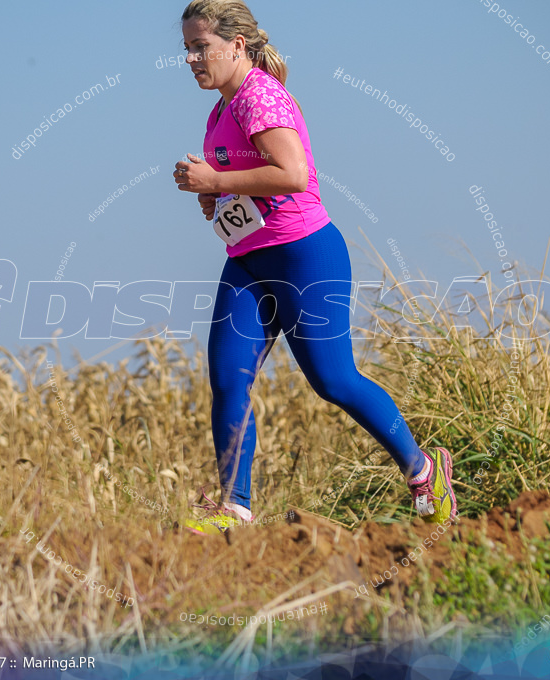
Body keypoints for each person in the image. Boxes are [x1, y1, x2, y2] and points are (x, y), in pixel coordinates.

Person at [172, 0, 456, 534]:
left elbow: (294, 174)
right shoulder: (220, 108)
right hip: (248, 261)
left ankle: (424, 472)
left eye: (199, 47)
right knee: (228, 378)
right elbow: (241, 179)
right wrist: (210, 195)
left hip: (304, 254)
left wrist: (215, 182)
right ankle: (234, 507)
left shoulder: (259, 97)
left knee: (332, 380)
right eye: (186, 49)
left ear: (236, 46)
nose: (190, 59)